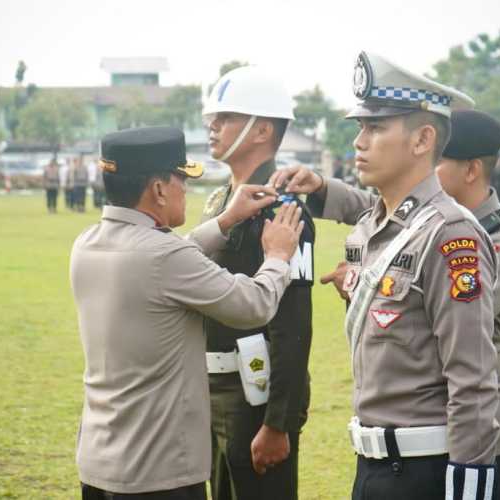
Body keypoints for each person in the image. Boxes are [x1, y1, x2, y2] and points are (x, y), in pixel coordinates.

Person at [271, 52, 500, 500]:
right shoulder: (375, 224)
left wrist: (469, 490)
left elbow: (472, 381)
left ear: (422, 140)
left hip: (426, 474)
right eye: (360, 127)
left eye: (375, 128)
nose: (359, 141)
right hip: (374, 469)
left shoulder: (451, 236)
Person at [71, 126, 304, 500]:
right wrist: (277, 258)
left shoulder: (87, 243)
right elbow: (253, 305)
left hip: (100, 464)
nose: (186, 189)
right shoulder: (164, 257)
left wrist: (225, 221)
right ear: (159, 189)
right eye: (182, 178)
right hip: (157, 473)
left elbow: (165, 260)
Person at [201, 65, 314, 500]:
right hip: (213, 390)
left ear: (262, 129)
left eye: (226, 117)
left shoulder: (283, 210)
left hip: (255, 397)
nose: (213, 126)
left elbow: (293, 327)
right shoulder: (221, 200)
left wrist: (277, 422)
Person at [435, 110, 500, 500]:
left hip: (483, 427)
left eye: (438, 161)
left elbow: (449, 325)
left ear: (471, 170)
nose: (427, 170)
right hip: (441, 420)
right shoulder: (443, 225)